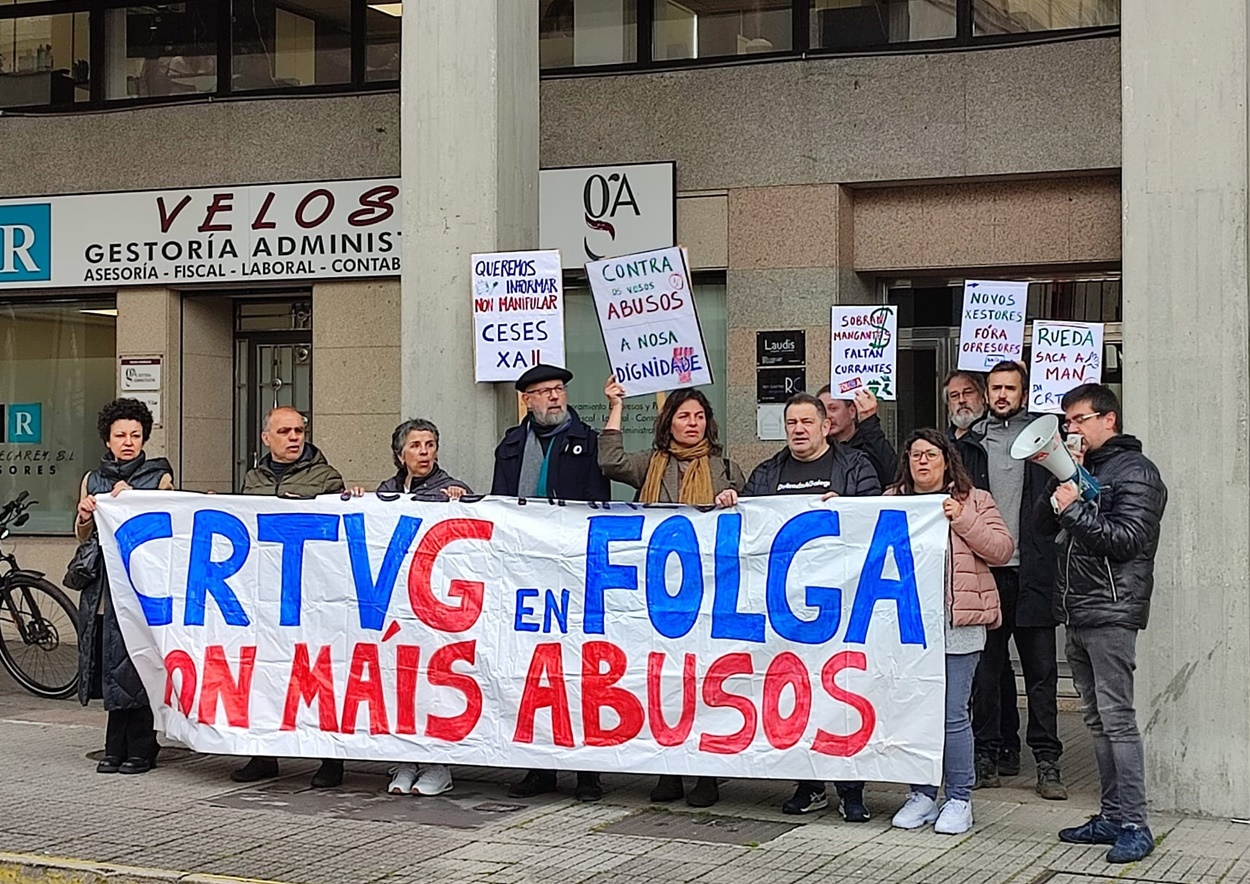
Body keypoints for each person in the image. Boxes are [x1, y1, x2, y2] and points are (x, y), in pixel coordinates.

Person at [598, 378, 745, 808]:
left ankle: (706, 775)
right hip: (658, 596)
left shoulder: (726, 468)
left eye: (700, 417)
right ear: (669, 423)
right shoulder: (650, 464)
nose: (693, 423)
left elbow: (749, 519)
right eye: (684, 416)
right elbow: (610, 462)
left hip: (708, 594)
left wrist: (734, 500)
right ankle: (668, 770)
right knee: (664, 682)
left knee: (704, 682)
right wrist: (616, 407)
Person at [743, 391, 879, 821]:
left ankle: (852, 789)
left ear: (826, 426)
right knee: (799, 696)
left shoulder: (855, 468)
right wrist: (731, 504)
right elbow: (748, 526)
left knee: (844, 696)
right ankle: (809, 784)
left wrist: (852, 511)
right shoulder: (767, 473)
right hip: (787, 608)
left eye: (806, 422)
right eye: (791, 424)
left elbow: (876, 517)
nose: (798, 430)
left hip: (843, 603)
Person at [1047, 384, 1166, 864]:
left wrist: (1075, 507)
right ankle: (1112, 815)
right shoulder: (1085, 469)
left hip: (1111, 611)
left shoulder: (1137, 472)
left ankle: (1135, 824)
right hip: (1079, 609)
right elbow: (1043, 527)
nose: (1070, 429)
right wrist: (1058, 486)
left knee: (1117, 720)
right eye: (1067, 421)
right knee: (1096, 720)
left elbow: (1127, 540)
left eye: (1078, 420)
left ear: (1108, 420)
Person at [492, 364, 609, 802]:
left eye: (559, 390)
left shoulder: (586, 440)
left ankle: (586, 772)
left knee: (579, 670)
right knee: (534, 670)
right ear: (528, 400)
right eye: (545, 392)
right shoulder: (510, 445)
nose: (555, 398)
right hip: (526, 569)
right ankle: (539, 766)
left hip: (574, 570)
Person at [231, 405, 362, 789]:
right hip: (266, 594)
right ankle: (263, 753)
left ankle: (331, 759)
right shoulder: (253, 479)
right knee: (267, 670)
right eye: (285, 431)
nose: (294, 437)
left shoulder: (325, 477)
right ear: (266, 438)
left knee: (320, 671)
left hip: (313, 595)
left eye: (299, 431)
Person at [889, 429, 1012, 835]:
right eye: (915, 455)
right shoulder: (891, 501)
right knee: (914, 713)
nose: (922, 461)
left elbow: (1001, 549)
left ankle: (959, 797)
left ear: (947, 460)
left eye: (930, 454)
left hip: (957, 624)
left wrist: (962, 519)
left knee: (951, 715)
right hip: (908, 629)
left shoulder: (975, 500)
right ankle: (922, 793)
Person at [956, 361, 1067, 799]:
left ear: (1024, 392)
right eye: (997, 388)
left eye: (1011, 388)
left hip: (1034, 571)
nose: (1003, 395)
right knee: (988, 671)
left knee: (1041, 672)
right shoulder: (970, 443)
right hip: (988, 572)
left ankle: (1048, 761)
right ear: (987, 392)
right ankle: (988, 754)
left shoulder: (1047, 438)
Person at [75, 398, 175, 776]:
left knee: (138, 663)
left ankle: (142, 746)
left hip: (140, 589)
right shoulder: (92, 478)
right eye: (120, 435)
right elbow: (82, 535)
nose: (128, 441)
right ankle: (114, 745)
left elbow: (168, 528)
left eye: (135, 434)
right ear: (107, 439)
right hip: (103, 588)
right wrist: (86, 514)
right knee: (109, 663)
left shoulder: (158, 477)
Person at [381, 418, 470, 797]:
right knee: (401, 680)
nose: (424, 452)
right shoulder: (385, 492)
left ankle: (438, 762)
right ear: (401, 454)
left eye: (430, 445)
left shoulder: (454, 490)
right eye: (416, 446)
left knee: (437, 681)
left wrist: (462, 503)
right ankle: (406, 759)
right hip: (399, 604)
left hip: (437, 606)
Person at [817, 384, 897, 489]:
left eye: (833, 409)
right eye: (822, 411)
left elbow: (890, 474)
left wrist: (869, 421)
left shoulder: (870, 442)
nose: (827, 416)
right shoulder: (815, 449)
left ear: (852, 411)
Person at [944, 370, 987, 440]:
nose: (961, 400)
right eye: (955, 395)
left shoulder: (992, 436)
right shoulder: (943, 442)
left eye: (968, 393)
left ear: (983, 397)